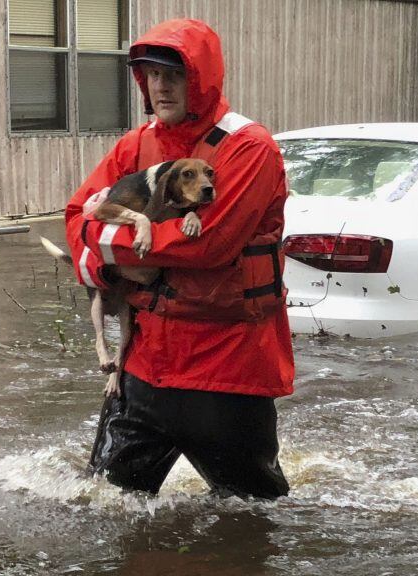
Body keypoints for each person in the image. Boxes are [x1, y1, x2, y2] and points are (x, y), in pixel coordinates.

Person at [65, 18, 294, 499]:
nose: (161, 86)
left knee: (253, 520)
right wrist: (106, 258)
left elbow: (207, 245)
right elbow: (75, 218)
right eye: (151, 74)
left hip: (226, 372)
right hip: (144, 367)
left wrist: (105, 244)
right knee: (98, 506)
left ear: (202, 79)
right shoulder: (135, 145)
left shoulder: (250, 148)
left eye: (175, 74)